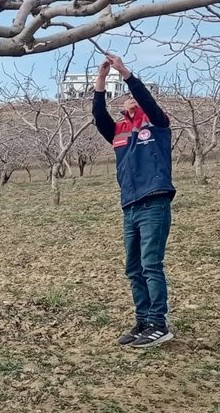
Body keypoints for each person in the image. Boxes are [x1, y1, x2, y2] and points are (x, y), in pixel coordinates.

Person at [92, 53, 175, 348]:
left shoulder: (158, 126)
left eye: (135, 98)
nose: (131, 101)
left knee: (151, 264)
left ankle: (158, 323)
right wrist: (102, 79)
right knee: (134, 268)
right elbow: (99, 115)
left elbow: (146, 101)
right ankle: (142, 320)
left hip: (154, 201)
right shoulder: (118, 132)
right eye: (127, 99)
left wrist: (125, 73)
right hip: (130, 205)